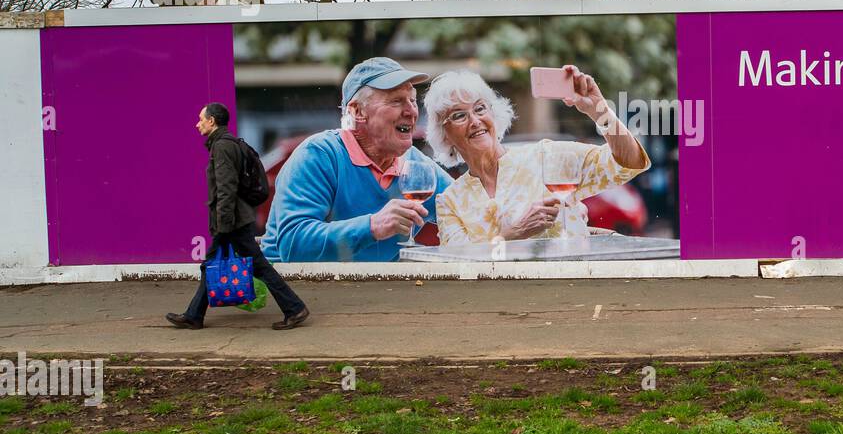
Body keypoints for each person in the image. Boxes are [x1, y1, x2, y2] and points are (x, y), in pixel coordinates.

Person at [259, 57, 454, 262]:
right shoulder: (319, 154)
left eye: (412, 100)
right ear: (357, 111)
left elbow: (465, 208)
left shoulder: (416, 165)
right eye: (396, 101)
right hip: (293, 288)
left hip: (370, 289)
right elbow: (292, 246)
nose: (411, 111)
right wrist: (372, 226)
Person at [428, 66, 650, 245]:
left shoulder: (547, 156)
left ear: (494, 114)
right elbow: (459, 265)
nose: (475, 121)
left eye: (480, 109)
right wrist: (509, 236)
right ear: (444, 134)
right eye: (459, 115)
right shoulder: (449, 202)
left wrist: (599, 110)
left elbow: (627, 163)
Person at [167, 103, 310, 330]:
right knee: (214, 264)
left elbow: (226, 188)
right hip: (236, 218)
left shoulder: (222, 147)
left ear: (212, 121)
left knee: (258, 266)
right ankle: (194, 315)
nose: (198, 123)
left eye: (201, 119)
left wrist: (222, 225)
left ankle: (294, 308)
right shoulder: (229, 143)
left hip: (232, 221)